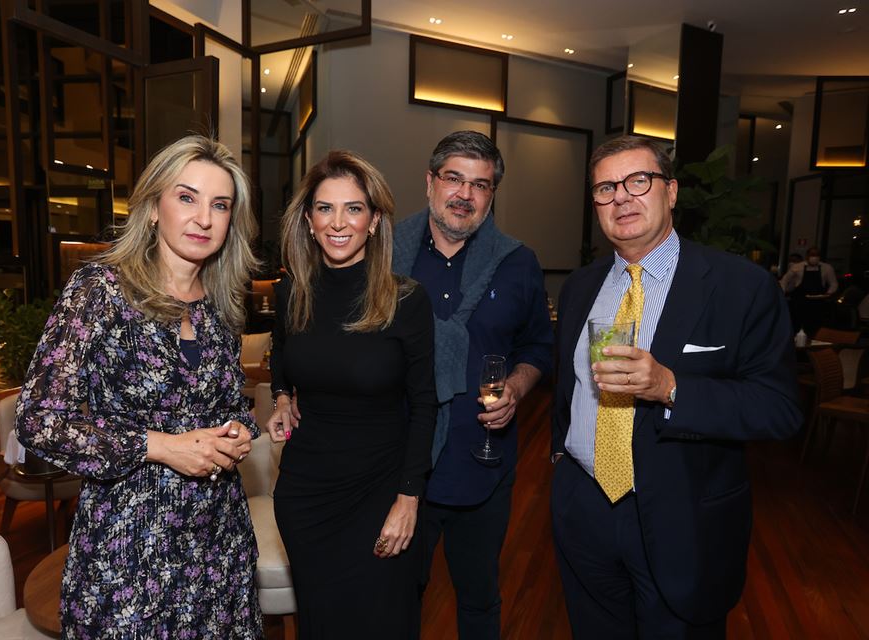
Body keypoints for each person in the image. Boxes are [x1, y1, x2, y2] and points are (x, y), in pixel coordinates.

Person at [552, 135, 802, 638]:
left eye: (638, 181)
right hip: (584, 509)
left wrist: (671, 387)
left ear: (671, 192)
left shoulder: (740, 287)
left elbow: (779, 408)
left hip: (682, 521)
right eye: (605, 188)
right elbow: (568, 394)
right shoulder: (580, 287)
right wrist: (562, 470)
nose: (621, 196)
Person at [16, 135, 263, 639]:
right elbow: (38, 420)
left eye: (220, 205)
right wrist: (158, 446)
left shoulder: (219, 305)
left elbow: (227, 403)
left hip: (218, 545)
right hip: (130, 547)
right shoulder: (101, 290)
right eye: (187, 197)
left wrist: (239, 429)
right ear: (153, 207)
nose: (204, 218)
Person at [267, 150, 436, 638]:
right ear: (308, 219)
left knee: (384, 621)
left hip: (381, 490)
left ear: (376, 220)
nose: (338, 223)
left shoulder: (406, 299)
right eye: (325, 208)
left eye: (354, 208)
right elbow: (282, 352)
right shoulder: (291, 292)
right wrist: (281, 395)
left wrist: (409, 499)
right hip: (307, 495)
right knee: (322, 625)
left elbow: (425, 405)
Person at [392, 130, 554, 639]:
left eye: (480, 185)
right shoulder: (384, 253)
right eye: (454, 179)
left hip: (482, 463)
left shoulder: (517, 262)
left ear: (491, 195)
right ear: (429, 182)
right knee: (395, 599)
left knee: (480, 599)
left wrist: (518, 387)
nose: (465, 194)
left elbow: (537, 348)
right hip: (397, 469)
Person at [781, 246, 839, 335]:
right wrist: (783, 291)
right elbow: (785, 280)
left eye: (817, 255)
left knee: (814, 327)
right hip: (800, 302)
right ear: (807, 256)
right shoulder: (797, 267)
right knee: (796, 326)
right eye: (812, 255)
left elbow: (833, 283)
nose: (814, 257)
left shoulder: (827, 268)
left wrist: (829, 292)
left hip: (817, 303)